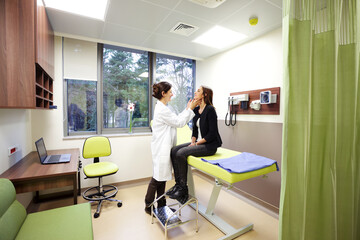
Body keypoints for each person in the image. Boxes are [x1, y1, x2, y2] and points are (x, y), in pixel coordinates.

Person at [144, 81, 199, 214]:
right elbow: (179, 122)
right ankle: (148, 205)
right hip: (161, 148)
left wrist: (187, 109)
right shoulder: (162, 110)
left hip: (162, 147)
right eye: (170, 92)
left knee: (161, 177)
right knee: (157, 178)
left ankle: (161, 204)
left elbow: (176, 118)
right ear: (163, 93)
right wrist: (191, 109)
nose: (172, 95)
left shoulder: (163, 108)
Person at [167, 86, 222, 204]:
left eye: (198, 91)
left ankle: (183, 188)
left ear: (204, 95)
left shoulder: (210, 110)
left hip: (210, 146)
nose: (195, 93)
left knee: (181, 153)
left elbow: (212, 134)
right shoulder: (196, 110)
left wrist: (196, 144)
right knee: (174, 150)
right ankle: (178, 185)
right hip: (199, 142)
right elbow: (195, 131)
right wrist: (193, 142)